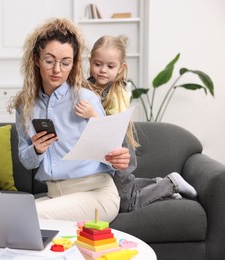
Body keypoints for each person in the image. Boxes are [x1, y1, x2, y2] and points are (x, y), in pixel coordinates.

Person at [8, 18, 131, 223]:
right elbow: (26, 161)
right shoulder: (25, 105)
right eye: (49, 61)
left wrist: (119, 158)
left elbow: (111, 151)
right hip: (56, 196)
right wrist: (36, 149)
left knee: (24, 215)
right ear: (36, 60)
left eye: (65, 63)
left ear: (73, 63)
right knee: (5, 215)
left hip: (96, 193)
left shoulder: (86, 99)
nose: (57, 70)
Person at [75, 35, 197, 213]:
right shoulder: (86, 87)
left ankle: (171, 184)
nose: (102, 70)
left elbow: (113, 129)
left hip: (118, 153)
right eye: (98, 64)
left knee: (127, 203)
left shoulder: (118, 93)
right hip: (100, 154)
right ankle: (157, 184)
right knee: (122, 188)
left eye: (110, 66)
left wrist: (92, 114)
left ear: (121, 68)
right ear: (90, 62)